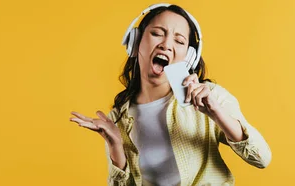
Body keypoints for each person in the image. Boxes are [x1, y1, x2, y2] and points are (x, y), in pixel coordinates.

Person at [69, 3, 272, 186]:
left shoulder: (210, 98)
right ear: (136, 41)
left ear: (189, 57)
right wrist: (115, 147)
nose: (166, 44)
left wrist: (216, 113)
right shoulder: (117, 118)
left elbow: (261, 159)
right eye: (157, 33)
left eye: (179, 40)